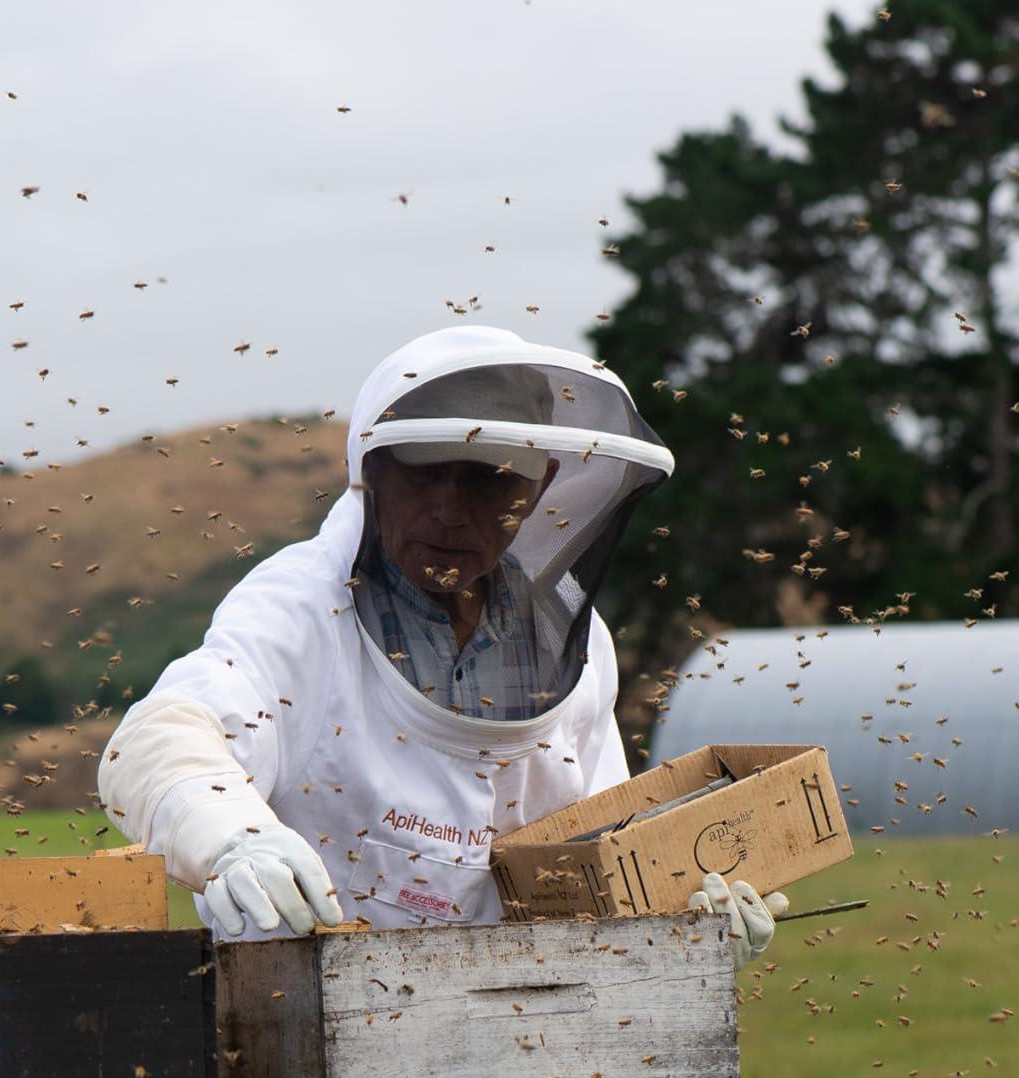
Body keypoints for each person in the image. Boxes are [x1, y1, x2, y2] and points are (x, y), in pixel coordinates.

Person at [97, 325, 784, 957]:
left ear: (539, 484)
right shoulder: (300, 607)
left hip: (524, 1033)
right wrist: (234, 842)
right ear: (376, 471)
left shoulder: (573, 640)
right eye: (427, 472)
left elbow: (600, 853)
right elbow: (160, 740)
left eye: (489, 480)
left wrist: (681, 922)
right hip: (301, 1029)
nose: (451, 510)